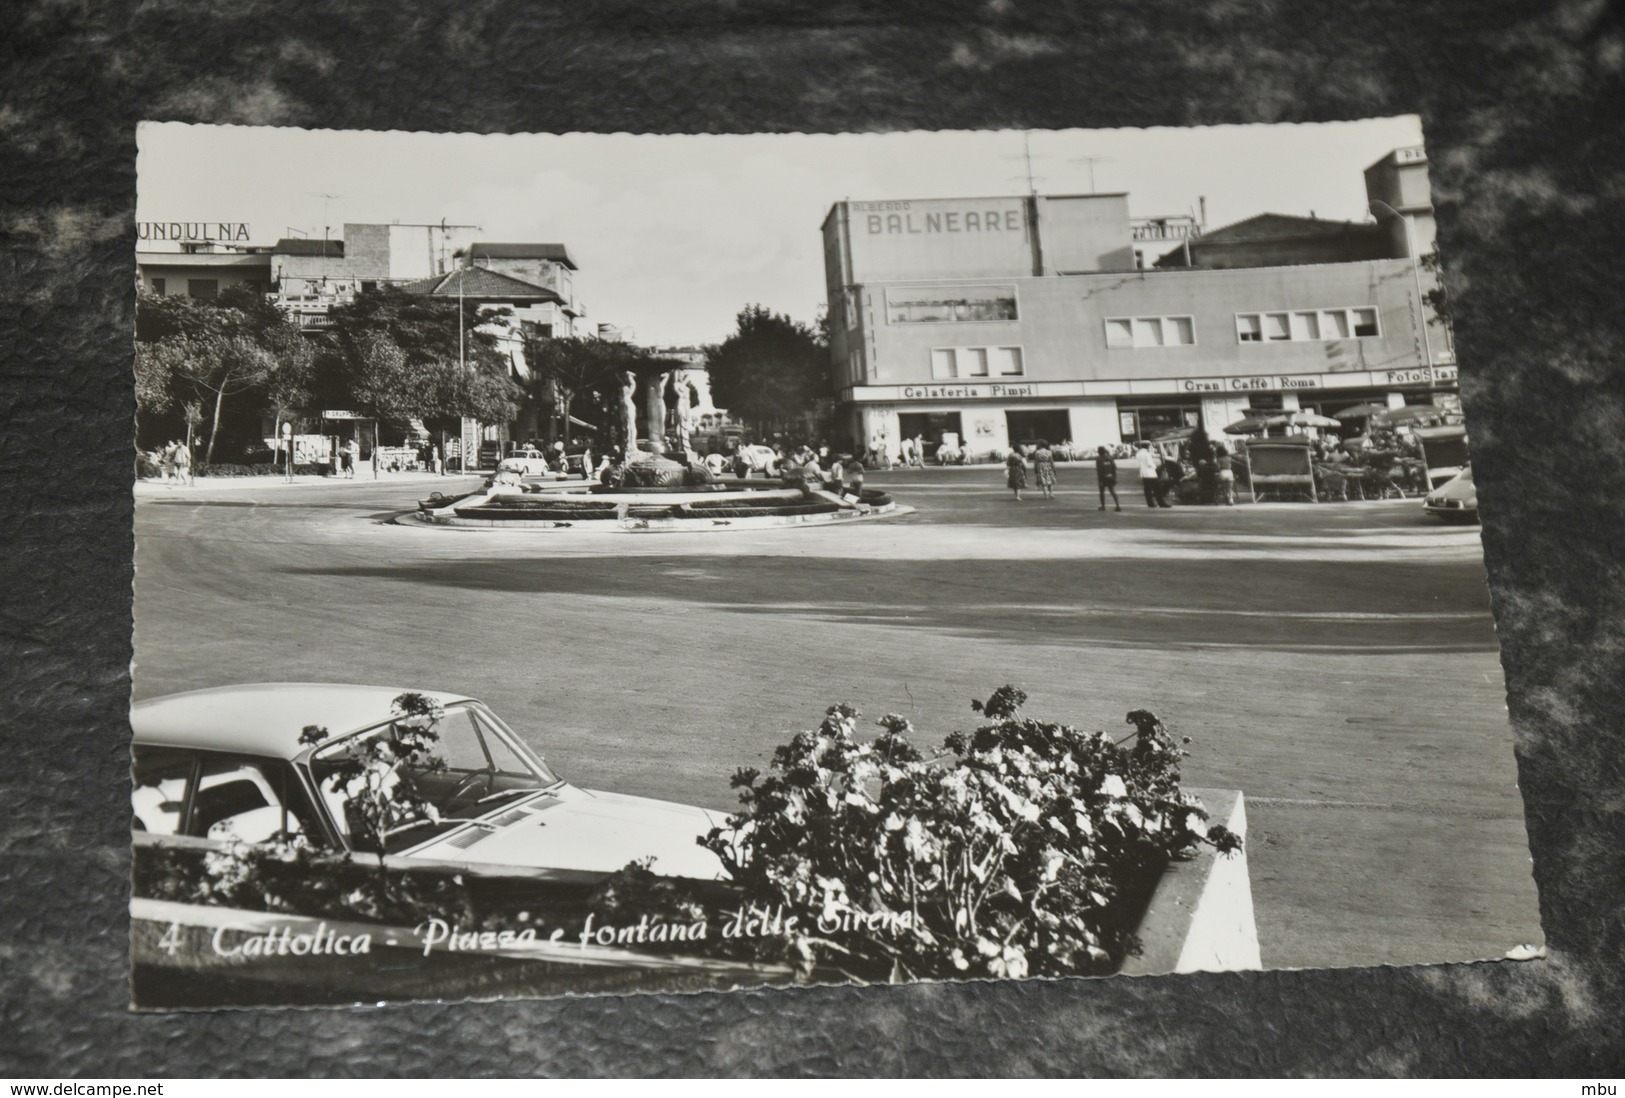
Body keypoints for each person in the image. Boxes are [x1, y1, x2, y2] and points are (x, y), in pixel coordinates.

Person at [1135, 442, 1163, 508]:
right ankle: (1161, 502)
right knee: (1157, 488)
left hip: (1143, 472)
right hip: (1150, 472)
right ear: (1147, 446)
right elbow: (1150, 463)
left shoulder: (1139, 453)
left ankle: (1150, 503)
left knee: (1147, 489)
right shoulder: (1147, 453)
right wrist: (1155, 466)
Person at [1094, 446, 1121, 511]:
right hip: (1110, 476)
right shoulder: (1110, 458)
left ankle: (1103, 506)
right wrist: (1114, 477)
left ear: (1099, 452)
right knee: (1112, 491)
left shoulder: (1098, 459)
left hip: (1103, 477)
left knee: (1102, 492)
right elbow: (1114, 468)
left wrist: (1100, 480)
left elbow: (1099, 470)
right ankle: (1117, 505)